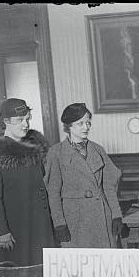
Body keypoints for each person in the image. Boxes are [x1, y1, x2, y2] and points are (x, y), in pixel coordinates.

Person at [0, 98, 57, 266]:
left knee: (44, 273)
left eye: (27, 119)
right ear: (6, 122)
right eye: (20, 120)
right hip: (15, 228)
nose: (25, 124)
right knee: (19, 275)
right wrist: (2, 231)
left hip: (40, 224)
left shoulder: (33, 149)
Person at [44, 103, 123, 248]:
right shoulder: (56, 153)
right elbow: (53, 193)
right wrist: (59, 223)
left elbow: (109, 187)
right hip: (74, 220)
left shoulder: (98, 150)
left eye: (88, 123)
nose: (86, 127)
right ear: (68, 126)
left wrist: (116, 215)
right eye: (80, 123)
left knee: (104, 265)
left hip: (102, 216)